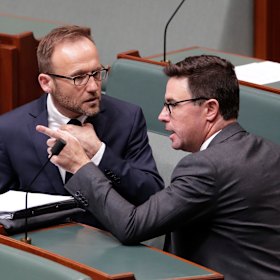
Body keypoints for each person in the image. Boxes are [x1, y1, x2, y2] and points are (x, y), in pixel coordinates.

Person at [37, 54, 280, 280]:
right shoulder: (270, 151)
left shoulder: (206, 167)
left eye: (172, 105)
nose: (162, 115)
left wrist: (81, 165)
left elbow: (132, 226)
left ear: (210, 109)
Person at [0, 25, 164, 227]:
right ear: (46, 83)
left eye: (96, 73)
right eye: (79, 78)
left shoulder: (127, 118)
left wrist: (99, 153)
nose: (94, 87)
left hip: (107, 245)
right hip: (41, 246)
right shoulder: (9, 130)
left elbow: (152, 195)